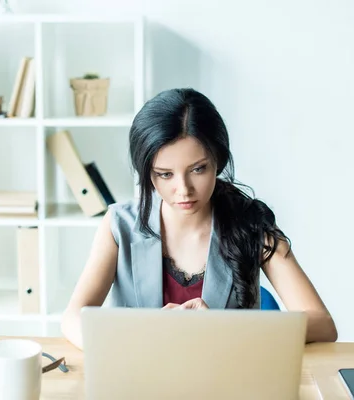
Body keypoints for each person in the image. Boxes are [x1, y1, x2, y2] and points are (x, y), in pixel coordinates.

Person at [61, 88, 338, 350]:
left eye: (198, 169)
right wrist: (132, 339)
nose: (183, 189)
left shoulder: (251, 223)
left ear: (218, 159)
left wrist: (222, 327)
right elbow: (72, 319)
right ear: (147, 173)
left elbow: (323, 324)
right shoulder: (118, 225)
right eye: (165, 174)